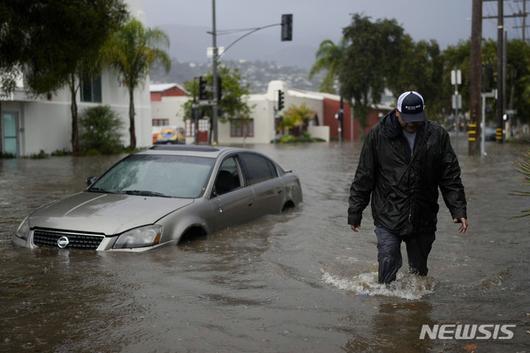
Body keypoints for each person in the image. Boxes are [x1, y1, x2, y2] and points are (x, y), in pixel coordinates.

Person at [348, 91, 468, 284]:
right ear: (397, 112)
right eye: (407, 119)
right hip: (388, 212)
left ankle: (416, 309)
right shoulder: (378, 135)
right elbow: (364, 176)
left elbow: (450, 177)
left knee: (418, 275)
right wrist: (355, 212)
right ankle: (386, 305)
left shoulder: (437, 136)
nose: (412, 123)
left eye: (416, 119)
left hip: (423, 215)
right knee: (388, 258)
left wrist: (458, 209)